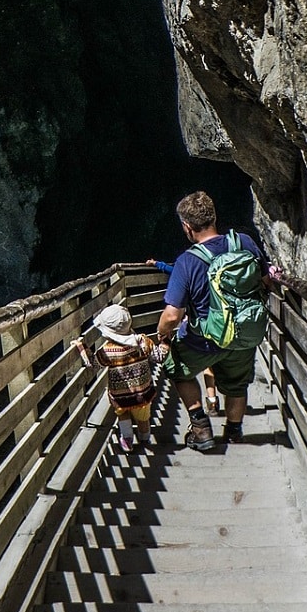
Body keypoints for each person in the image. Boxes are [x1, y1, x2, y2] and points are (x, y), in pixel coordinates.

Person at [155, 191, 280, 452]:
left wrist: (162, 335)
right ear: (214, 217)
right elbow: (266, 281)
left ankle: (201, 427)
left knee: (176, 368)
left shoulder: (187, 261)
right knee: (237, 385)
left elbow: (172, 315)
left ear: (187, 227)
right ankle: (233, 432)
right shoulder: (243, 242)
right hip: (243, 334)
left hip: (204, 341)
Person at [75, 303, 166, 452]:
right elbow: (158, 357)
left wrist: (82, 348)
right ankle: (144, 438)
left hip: (120, 396)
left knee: (123, 414)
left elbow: (93, 364)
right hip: (143, 394)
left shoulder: (107, 351)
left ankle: (127, 440)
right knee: (143, 418)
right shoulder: (142, 342)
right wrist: (165, 342)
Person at [145, 255, 220, 421]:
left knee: (190, 369)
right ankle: (214, 401)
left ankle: (206, 410)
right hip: (224, 325)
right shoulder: (221, 271)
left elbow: (174, 271)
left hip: (198, 326)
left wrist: (158, 264)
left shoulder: (192, 268)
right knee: (213, 366)